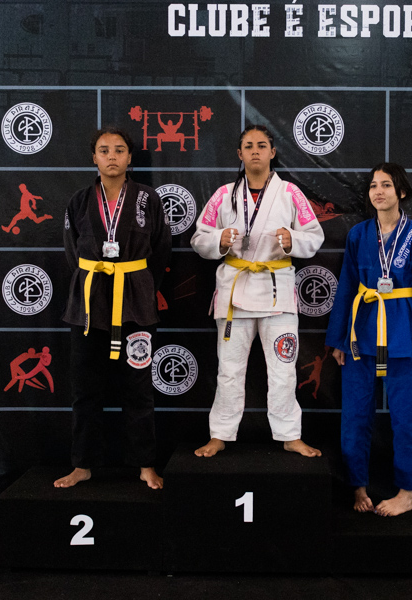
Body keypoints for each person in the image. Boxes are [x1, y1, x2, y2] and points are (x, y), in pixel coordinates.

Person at [190, 124, 324, 458]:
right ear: (240, 153)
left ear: (272, 152)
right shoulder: (223, 194)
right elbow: (199, 237)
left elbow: (314, 235)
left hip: (277, 293)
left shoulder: (290, 193)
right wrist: (218, 240)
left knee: (283, 370)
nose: (255, 151)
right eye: (248, 146)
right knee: (229, 370)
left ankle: (290, 434)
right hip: (235, 293)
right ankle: (220, 434)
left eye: (261, 145)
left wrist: (293, 240)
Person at [54, 126, 172, 489]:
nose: (112, 157)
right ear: (94, 157)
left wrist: (141, 285)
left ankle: (145, 464)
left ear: (130, 157)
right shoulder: (78, 201)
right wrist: (94, 280)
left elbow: (160, 250)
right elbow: (72, 252)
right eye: (104, 150)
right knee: (85, 388)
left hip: (135, 301)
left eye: (119, 150)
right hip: (89, 304)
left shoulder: (148, 199)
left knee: (138, 387)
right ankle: (83, 464)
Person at [325, 163, 412, 516]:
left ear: (401, 192)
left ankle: (406, 493)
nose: (378, 191)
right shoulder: (359, 234)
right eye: (374, 185)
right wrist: (338, 339)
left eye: (386, 185)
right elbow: (346, 287)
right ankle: (357, 487)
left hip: (404, 335)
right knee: (355, 416)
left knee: (408, 417)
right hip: (360, 333)